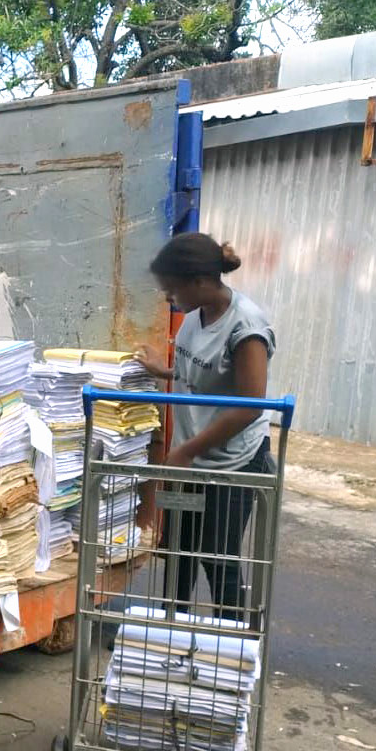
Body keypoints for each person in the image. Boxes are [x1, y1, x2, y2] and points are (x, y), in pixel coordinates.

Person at [135, 233, 275, 619]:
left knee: (218, 555)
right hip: (190, 457)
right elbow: (193, 374)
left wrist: (187, 450)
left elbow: (251, 405)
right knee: (178, 550)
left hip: (232, 462)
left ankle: (230, 645)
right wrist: (158, 370)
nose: (168, 298)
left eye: (171, 289)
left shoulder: (246, 327)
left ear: (198, 282)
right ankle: (168, 631)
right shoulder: (193, 318)